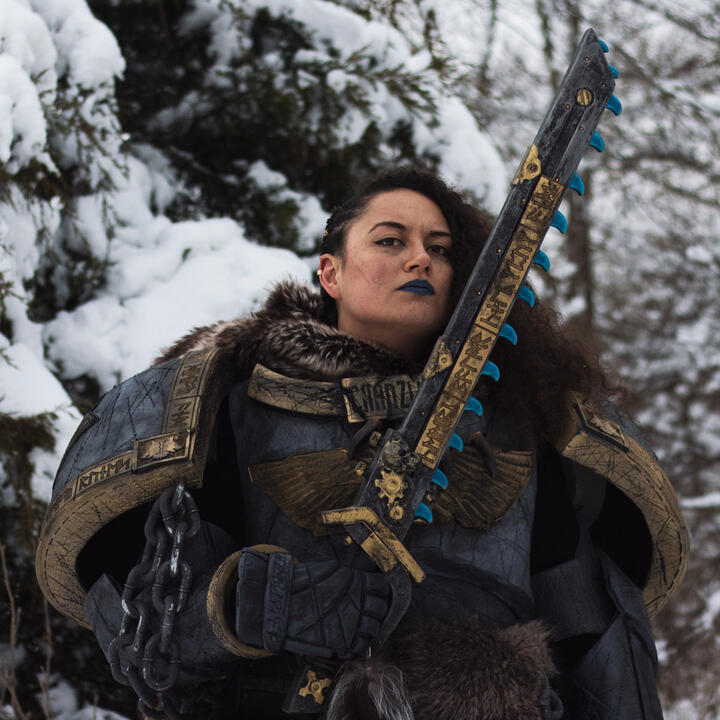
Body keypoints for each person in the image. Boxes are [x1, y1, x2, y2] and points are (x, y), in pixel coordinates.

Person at [36, 167, 688, 719]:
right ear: (332, 273)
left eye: (439, 248)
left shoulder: (525, 421)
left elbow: (595, 648)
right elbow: (147, 639)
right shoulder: (234, 407)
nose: (420, 258)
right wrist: (252, 603)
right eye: (390, 240)